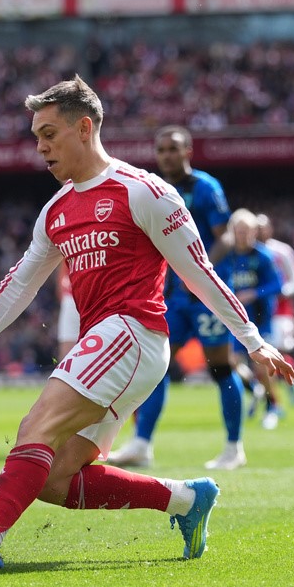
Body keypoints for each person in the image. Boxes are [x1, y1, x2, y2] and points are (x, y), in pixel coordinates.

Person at [0, 76, 294, 570]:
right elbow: (19, 284)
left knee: (37, 426)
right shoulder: (56, 209)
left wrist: (253, 341)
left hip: (132, 332)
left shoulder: (145, 192)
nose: (40, 147)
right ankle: (185, 499)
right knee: (54, 479)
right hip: (109, 344)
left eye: (49, 134)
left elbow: (200, 273)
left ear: (84, 128)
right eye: (36, 137)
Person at [105, 125, 245, 470]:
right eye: (161, 150)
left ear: (188, 152)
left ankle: (233, 447)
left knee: (220, 367)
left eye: (173, 149)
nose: (167, 155)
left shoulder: (206, 187)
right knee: (157, 365)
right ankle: (141, 444)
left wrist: (198, 271)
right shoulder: (154, 189)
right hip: (172, 296)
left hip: (204, 294)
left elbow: (225, 237)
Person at [223, 210, 285, 430]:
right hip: (234, 319)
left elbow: (278, 284)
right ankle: (255, 389)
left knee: (262, 366)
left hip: (260, 318)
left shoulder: (263, 256)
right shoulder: (226, 256)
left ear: (254, 232)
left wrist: (254, 293)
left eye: (247, 231)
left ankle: (272, 406)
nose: (243, 235)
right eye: (239, 231)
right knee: (230, 360)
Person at [255, 212, 294, 407]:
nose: (260, 231)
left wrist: (282, 291)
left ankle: (287, 384)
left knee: (278, 350)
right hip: (256, 311)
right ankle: (267, 394)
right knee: (261, 353)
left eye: (263, 227)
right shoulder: (247, 252)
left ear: (270, 229)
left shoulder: (281, 251)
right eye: (256, 228)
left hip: (281, 311)